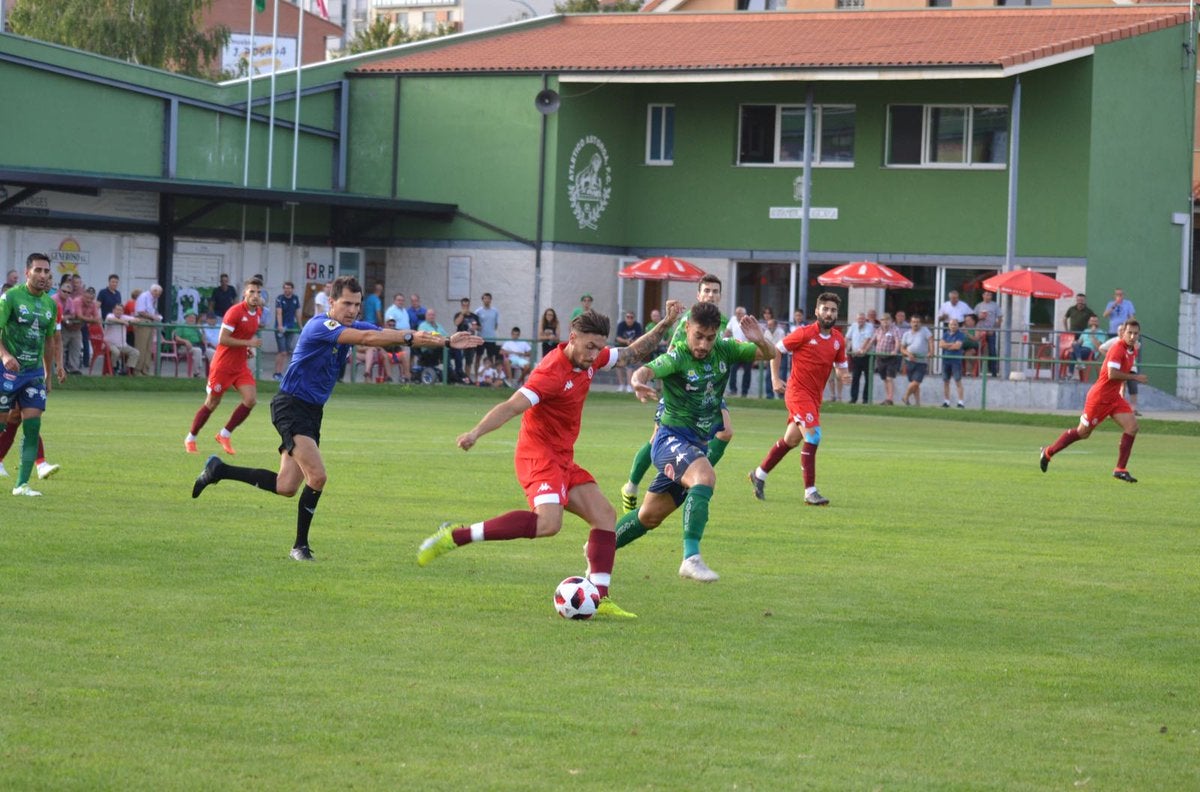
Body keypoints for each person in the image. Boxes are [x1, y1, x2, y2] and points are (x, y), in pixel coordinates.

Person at [415, 302, 681, 615]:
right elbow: (512, 406)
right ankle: (455, 536)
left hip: (563, 457)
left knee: (605, 516)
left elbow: (631, 353)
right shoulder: (550, 372)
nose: (594, 354)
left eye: (599, 347)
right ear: (572, 337)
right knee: (548, 523)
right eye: (589, 346)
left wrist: (665, 323)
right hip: (537, 454)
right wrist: (475, 433)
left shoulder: (591, 359)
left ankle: (600, 597)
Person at [193, 276, 482, 560]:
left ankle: (219, 470)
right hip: (290, 406)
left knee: (286, 486)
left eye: (357, 304)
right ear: (331, 302)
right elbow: (370, 338)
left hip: (311, 411)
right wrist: (405, 336)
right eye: (346, 303)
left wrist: (445, 341)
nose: (353, 310)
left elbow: (387, 335)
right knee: (318, 477)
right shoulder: (320, 325)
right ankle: (300, 547)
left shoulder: (350, 324)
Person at [618, 302, 775, 582]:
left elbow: (771, 354)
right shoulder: (678, 357)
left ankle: (597, 547)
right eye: (698, 336)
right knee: (704, 476)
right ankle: (691, 558)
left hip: (696, 445)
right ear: (687, 328)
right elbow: (647, 370)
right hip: (669, 440)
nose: (703, 344)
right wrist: (636, 380)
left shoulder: (725, 349)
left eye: (710, 338)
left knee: (648, 517)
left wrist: (760, 340)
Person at [619, 274, 733, 512]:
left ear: (720, 295)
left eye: (715, 291)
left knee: (725, 432)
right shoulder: (687, 322)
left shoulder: (723, 322)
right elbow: (671, 354)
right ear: (698, 295)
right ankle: (631, 485)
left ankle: (692, 477)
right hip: (683, 393)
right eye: (707, 291)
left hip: (709, 389)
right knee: (656, 440)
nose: (711, 295)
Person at [748, 292, 847, 507]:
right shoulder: (803, 333)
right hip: (797, 393)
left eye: (833, 310)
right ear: (817, 311)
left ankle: (759, 474)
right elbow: (776, 350)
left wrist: (844, 375)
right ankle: (810, 491)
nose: (829, 313)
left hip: (814, 398)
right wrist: (775, 378)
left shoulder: (839, 340)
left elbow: (841, 367)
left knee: (791, 440)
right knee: (813, 436)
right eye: (825, 309)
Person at [1039, 320, 1148, 483]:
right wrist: (1135, 377)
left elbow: (1123, 375)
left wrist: (1122, 392)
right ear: (1123, 333)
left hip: (1114, 398)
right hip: (1099, 398)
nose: (1132, 336)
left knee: (1132, 427)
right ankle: (1048, 452)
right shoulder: (1117, 348)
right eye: (1129, 333)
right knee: (1083, 433)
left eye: (1135, 333)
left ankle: (1120, 469)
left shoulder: (1133, 350)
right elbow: (1112, 374)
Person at [0, 253, 65, 496]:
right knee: (2, 424)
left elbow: (50, 342)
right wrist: (5, 355)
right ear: (27, 272)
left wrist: (48, 374)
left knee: (32, 425)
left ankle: (21, 485)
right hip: (6, 371)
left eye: (47, 271)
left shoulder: (50, 305)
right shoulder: (11, 297)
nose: (43, 275)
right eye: (38, 270)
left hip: (33, 374)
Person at [184, 277, 264, 455]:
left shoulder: (257, 312)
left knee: (250, 400)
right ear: (244, 293)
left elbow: (244, 335)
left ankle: (224, 434)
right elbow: (223, 339)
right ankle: (191, 438)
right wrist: (247, 342)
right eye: (251, 291)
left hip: (240, 365)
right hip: (223, 365)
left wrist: (247, 348)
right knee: (212, 403)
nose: (255, 295)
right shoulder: (234, 312)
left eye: (258, 292)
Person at [868, 312, 902, 405]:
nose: (885, 322)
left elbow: (898, 341)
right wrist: (863, 349)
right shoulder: (878, 330)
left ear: (891, 321)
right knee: (884, 379)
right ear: (880, 321)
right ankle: (888, 398)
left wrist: (895, 350)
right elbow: (872, 341)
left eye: (887, 320)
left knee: (889, 378)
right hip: (880, 357)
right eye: (883, 320)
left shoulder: (895, 330)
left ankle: (890, 398)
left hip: (891, 357)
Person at [900, 315, 932, 407]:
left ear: (920, 323)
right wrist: (908, 353)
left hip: (921, 361)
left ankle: (905, 396)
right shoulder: (906, 334)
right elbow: (902, 349)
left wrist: (931, 351)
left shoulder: (925, 330)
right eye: (913, 322)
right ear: (910, 323)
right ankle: (917, 403)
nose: (915, 324)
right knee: (915, 384)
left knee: (916, 381)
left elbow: (930, 340)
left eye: (917, 322)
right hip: (909, 361)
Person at [844, 311, 874, 404]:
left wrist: (862, 349)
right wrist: (844, 348)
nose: (861, 320)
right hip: (855, 356)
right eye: (859, 319)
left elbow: (868, 339)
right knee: (855, 377)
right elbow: (847, 338)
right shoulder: (853, 326)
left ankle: (866, 399)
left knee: (867, 378)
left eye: (862, 319)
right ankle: (853, 398)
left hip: (866, 356)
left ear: (865, 319)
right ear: (856, 320)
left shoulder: (869, 326)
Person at [132, 284, 163, 376]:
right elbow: (141, 311)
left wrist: (155, 317)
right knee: (141, 347)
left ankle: (145, 370)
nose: (159, 295)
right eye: (158, 293)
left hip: (150, 322)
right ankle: (137, 370)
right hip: (143, 322)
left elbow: (151, 310)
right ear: (154, 291)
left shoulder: (153, 299)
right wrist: (153, 316)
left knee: (148, 348)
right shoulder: (144, 296)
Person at [273, 280, 301, 380]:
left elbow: (297, 313)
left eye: (289, 288)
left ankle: (280, 373)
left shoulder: (295, 298)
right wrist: (280, 326)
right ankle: (277, 373)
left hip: (290, 329)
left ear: (292, 289)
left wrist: (300, 326)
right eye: (285, 288)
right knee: (282, 352)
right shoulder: (280, 299)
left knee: (286, 352)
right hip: (281, 329)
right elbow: (279, 313)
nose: (287, 290)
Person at [103, 303, 141, 373]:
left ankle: (126, 370)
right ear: (113, 310)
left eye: (120, 310)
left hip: (122, 344)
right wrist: (123, 322)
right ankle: (113, 369)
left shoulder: (124, 317)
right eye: (117, 310)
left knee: (136, 352)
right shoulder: (110, 315)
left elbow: (137, 319)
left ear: (123, 312)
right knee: (116, 352)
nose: (118, 311)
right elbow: (111, 319)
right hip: (109, 344)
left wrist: (128, 321)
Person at [724, 306, 753, 397]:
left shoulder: (748, 321)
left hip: (747, 349)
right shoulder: (732, 320)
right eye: (736, 313)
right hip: (735, 349)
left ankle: (744, 392)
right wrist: (725, 341)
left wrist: (747, 345)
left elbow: (751, 336)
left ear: (744, 314)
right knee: (732, 370)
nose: (737, 315)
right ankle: (733, 390)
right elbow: (727, 331)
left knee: (747, 371)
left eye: (740, 313)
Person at [939, 317, 966, 408]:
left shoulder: (961, 335)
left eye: (955, 324)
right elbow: (941, 345)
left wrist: (947, 345)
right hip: (946, 360)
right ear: (948, 326)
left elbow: (957, 347)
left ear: (958, 326)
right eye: (951, 324)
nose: (953, 326)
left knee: (958, 381)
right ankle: (946, 402)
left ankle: (960, 402)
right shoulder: (945, 334)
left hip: (956, 360)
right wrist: (951, 344)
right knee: (946, 381)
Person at [384, 294, 412, 381]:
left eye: (402, 300)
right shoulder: (391, 310)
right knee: (403, 353)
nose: (401, 302)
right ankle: (393, 377)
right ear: (394, 301)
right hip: (395, 339)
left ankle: (405, 377)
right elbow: (388, 325)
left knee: (406, 354)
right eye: (399, 300)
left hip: (405, 339)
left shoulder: (404, 311)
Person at [613, 311, 643, 392]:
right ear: (625, 318)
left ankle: (629, 385)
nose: (629, 319)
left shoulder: (637, 326)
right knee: (618, 366)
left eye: (631, 317)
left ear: (634, 318)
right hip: (620, 347)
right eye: (627, 317)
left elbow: (640, 338)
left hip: (632, 348)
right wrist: (626, 341)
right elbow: (618, 337)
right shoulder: (621, 325)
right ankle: (621, 385)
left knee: (629, 366)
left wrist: (632, 342)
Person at [453, 297, 481, 383]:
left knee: (469, 362)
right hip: (460, 340)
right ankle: (459, 377)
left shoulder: (474, 316)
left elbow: (480, 327)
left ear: (469, 305)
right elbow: (456, 323)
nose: (465, 307)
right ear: (461, 305)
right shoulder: (458, 314)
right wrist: (462, 314)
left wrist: (476, 327)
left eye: (467, 305)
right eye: (464, 305)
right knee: (459, 360)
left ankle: (467, 379)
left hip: (470, 341)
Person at [474, 292, 500, 377]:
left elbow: (496, 325)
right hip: (480, 338)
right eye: (485, 298)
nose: (487, 300)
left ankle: (492, 376)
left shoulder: (495, 311)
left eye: (488, 298)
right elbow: (475, 325)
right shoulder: (478, 311)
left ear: (491, 300)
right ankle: (477, 377)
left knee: (491, 358)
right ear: (482, 300)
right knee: (478, 357)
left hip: (491, 338)